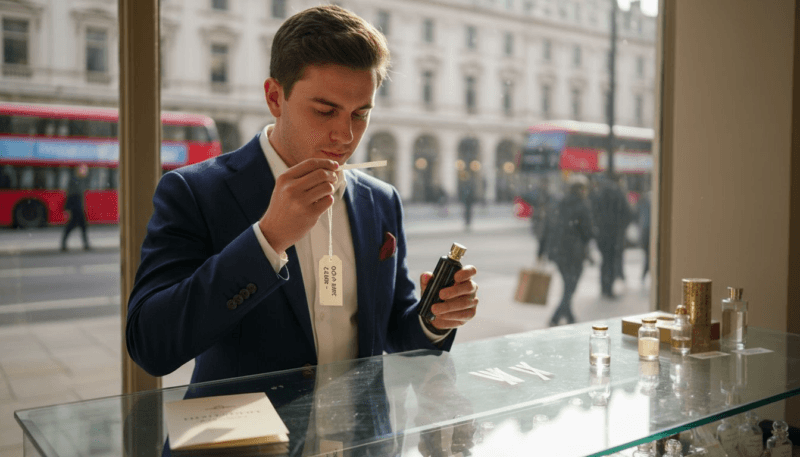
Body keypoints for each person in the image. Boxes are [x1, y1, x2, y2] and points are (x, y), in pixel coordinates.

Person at [126, 5, 479, 385]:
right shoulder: (195, 191)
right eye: (326, 111)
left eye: (360, 114)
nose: (345, 136)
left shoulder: (381, 200)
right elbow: (151, 345)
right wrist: (268, 238)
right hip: (250, 440)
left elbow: (394, 330)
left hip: (362, 440)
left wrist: (433, 319)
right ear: (275, 98)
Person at [538, 174, 593, 326]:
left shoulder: (558, 203)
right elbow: (588, 232)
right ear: (582, 189)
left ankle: (569, 316)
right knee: (571, 286)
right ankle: (556, 317)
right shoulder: (582, 205)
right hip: (574, 253)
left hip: (557, 252)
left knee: (567, 284)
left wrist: (541, 252)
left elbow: (547, 228)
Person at [589, 174, 630, 298]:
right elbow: (628, 213)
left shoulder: (599, 195)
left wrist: (598, 228)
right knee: (611, 261)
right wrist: (621, 228)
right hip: (614, 235)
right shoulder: (618, 194)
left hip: (602, 235)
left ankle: (603, 287)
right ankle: (609, 289)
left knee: (605, 261)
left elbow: (592, 213)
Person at [60, 163, 90, 251]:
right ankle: (64, 244)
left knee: (81, 226)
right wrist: (68, 209)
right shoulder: (74, 180)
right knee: (73, 226)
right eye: (84, 169)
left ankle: (85, 244)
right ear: (78, 170)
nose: (85, 172)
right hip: (75, 208)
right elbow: (70, 195)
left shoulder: (81, 180)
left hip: (79, 207)